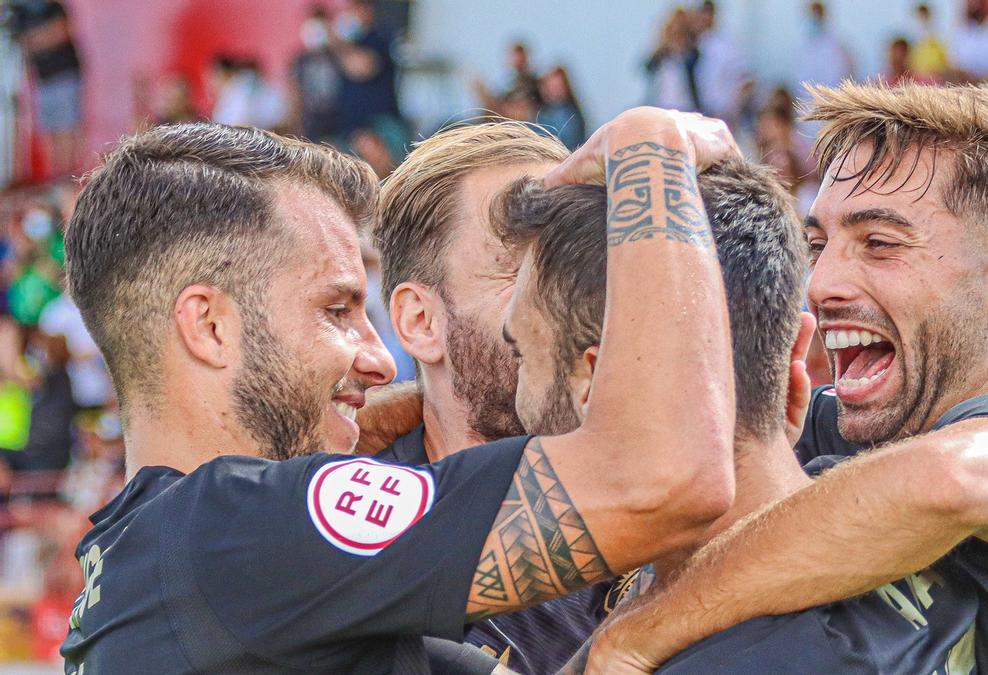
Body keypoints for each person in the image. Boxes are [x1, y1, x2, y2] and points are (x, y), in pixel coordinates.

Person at [59, 112, 743, 672]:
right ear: (209, 326)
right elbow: (667, 469)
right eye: (335, 309)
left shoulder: (145, 569)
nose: (381, 358)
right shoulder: (233, 532)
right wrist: (648, 152)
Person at [583, 83, 988, 674]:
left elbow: (949, 481)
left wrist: (644, 633)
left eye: (879, 244)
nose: (820, 282)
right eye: (817, 244)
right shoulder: (848, 427)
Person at [368, 121, 612, 673]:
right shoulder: (356, 550)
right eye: (522, 268)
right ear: (421, 322)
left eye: (581, 264)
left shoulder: (677, 487)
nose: (573, 297)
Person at [10, 0, 83, 177]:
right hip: (44, 80)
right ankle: (57, 178)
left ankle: (67, 178)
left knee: (65, 128)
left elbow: (60, 32)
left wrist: (35, 39)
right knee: (49, 131)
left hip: (64, 75)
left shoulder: (52, 7)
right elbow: (22, 42)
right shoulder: (20, 11)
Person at [330, 0, 401, 142]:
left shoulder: (381, 38)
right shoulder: (351, 41)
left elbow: (362, 67)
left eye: (355, 10)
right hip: (350, 125)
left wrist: (338, 44)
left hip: (379, 126)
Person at [691, 1, 749, 128]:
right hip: (695, 115)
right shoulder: (690, 45)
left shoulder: (726, 46)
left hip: (721, 116)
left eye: (706, 13)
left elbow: (745, 82)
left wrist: (732, 113)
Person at [291, 5, 341, 142]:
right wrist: (297, 123)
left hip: (338, 120)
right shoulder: (300, 60)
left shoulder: (338, 56)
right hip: (310, 121)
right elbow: (295, 92)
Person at [644, 8, 702, 112]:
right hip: (661, 104)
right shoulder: (661, 54)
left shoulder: (692, 53)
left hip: (687, 105)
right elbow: (647, 68)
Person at [794, 2, 853, 95]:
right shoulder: (804, 45)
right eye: (811, 15)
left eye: (816, 15)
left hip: (830, 98)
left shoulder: (835, 45)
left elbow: (847, 70)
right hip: (805, 101)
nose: (813, 20)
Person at [537, 66, 586, 150]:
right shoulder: (541, 114)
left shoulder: (572, 113)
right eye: (551, 86)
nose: (554, 90)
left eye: (557, 86)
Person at [909, 4, 949, 80]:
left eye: (924, 17)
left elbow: (944, 64)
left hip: (934, 82)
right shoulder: (913, 43)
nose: (922, 20)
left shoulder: (938, 41)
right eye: (919, 17)